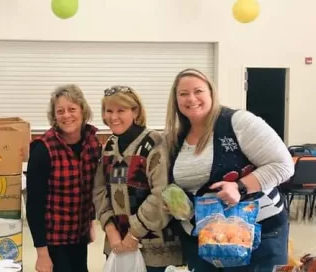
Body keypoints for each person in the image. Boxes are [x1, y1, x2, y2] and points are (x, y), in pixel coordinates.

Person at [164, 68, 294, 272]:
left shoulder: (237, 122)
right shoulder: (177, 137)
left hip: (254, 237)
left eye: (198, 91)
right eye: (183, 94)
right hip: (205, 240)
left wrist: (240, 187)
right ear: (176, 100)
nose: (191, 98)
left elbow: (283, 165)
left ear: (211, 93)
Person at [93, 85, 182, 272]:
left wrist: (133, 234)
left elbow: (161, 193)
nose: (113, 117)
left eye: (121, 110)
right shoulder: (109, 145)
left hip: (155, 251)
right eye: (109, 111)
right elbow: (99, 190)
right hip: (117, 244)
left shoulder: (155, 143)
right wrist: (111, 231)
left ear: (135, 111)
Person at [25, 84, 102, 272]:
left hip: (79, 236)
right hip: (54, 241)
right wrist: (42, 254)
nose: (67, 116)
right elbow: (34, 205)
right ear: (54, 116)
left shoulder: (92, 143)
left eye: (72, 109)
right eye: (60, 111)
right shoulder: (43, 149)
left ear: (83, 111)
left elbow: (90, 188)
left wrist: (91, 222)